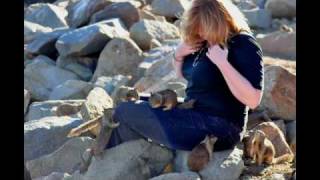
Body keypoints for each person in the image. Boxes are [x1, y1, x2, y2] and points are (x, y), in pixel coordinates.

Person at [105, 0, 264, 152]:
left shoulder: (243, 43)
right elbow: (184, 75)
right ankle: (128, 159)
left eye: (202, 27)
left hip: (222, 127)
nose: (199, 32)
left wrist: (223, 64)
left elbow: (253, 99)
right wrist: (179, 55)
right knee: (130, 100)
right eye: (196, 27)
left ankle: (113, 164)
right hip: (193, 110)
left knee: (126, 111)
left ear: (217, 21)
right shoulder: (203, 41)